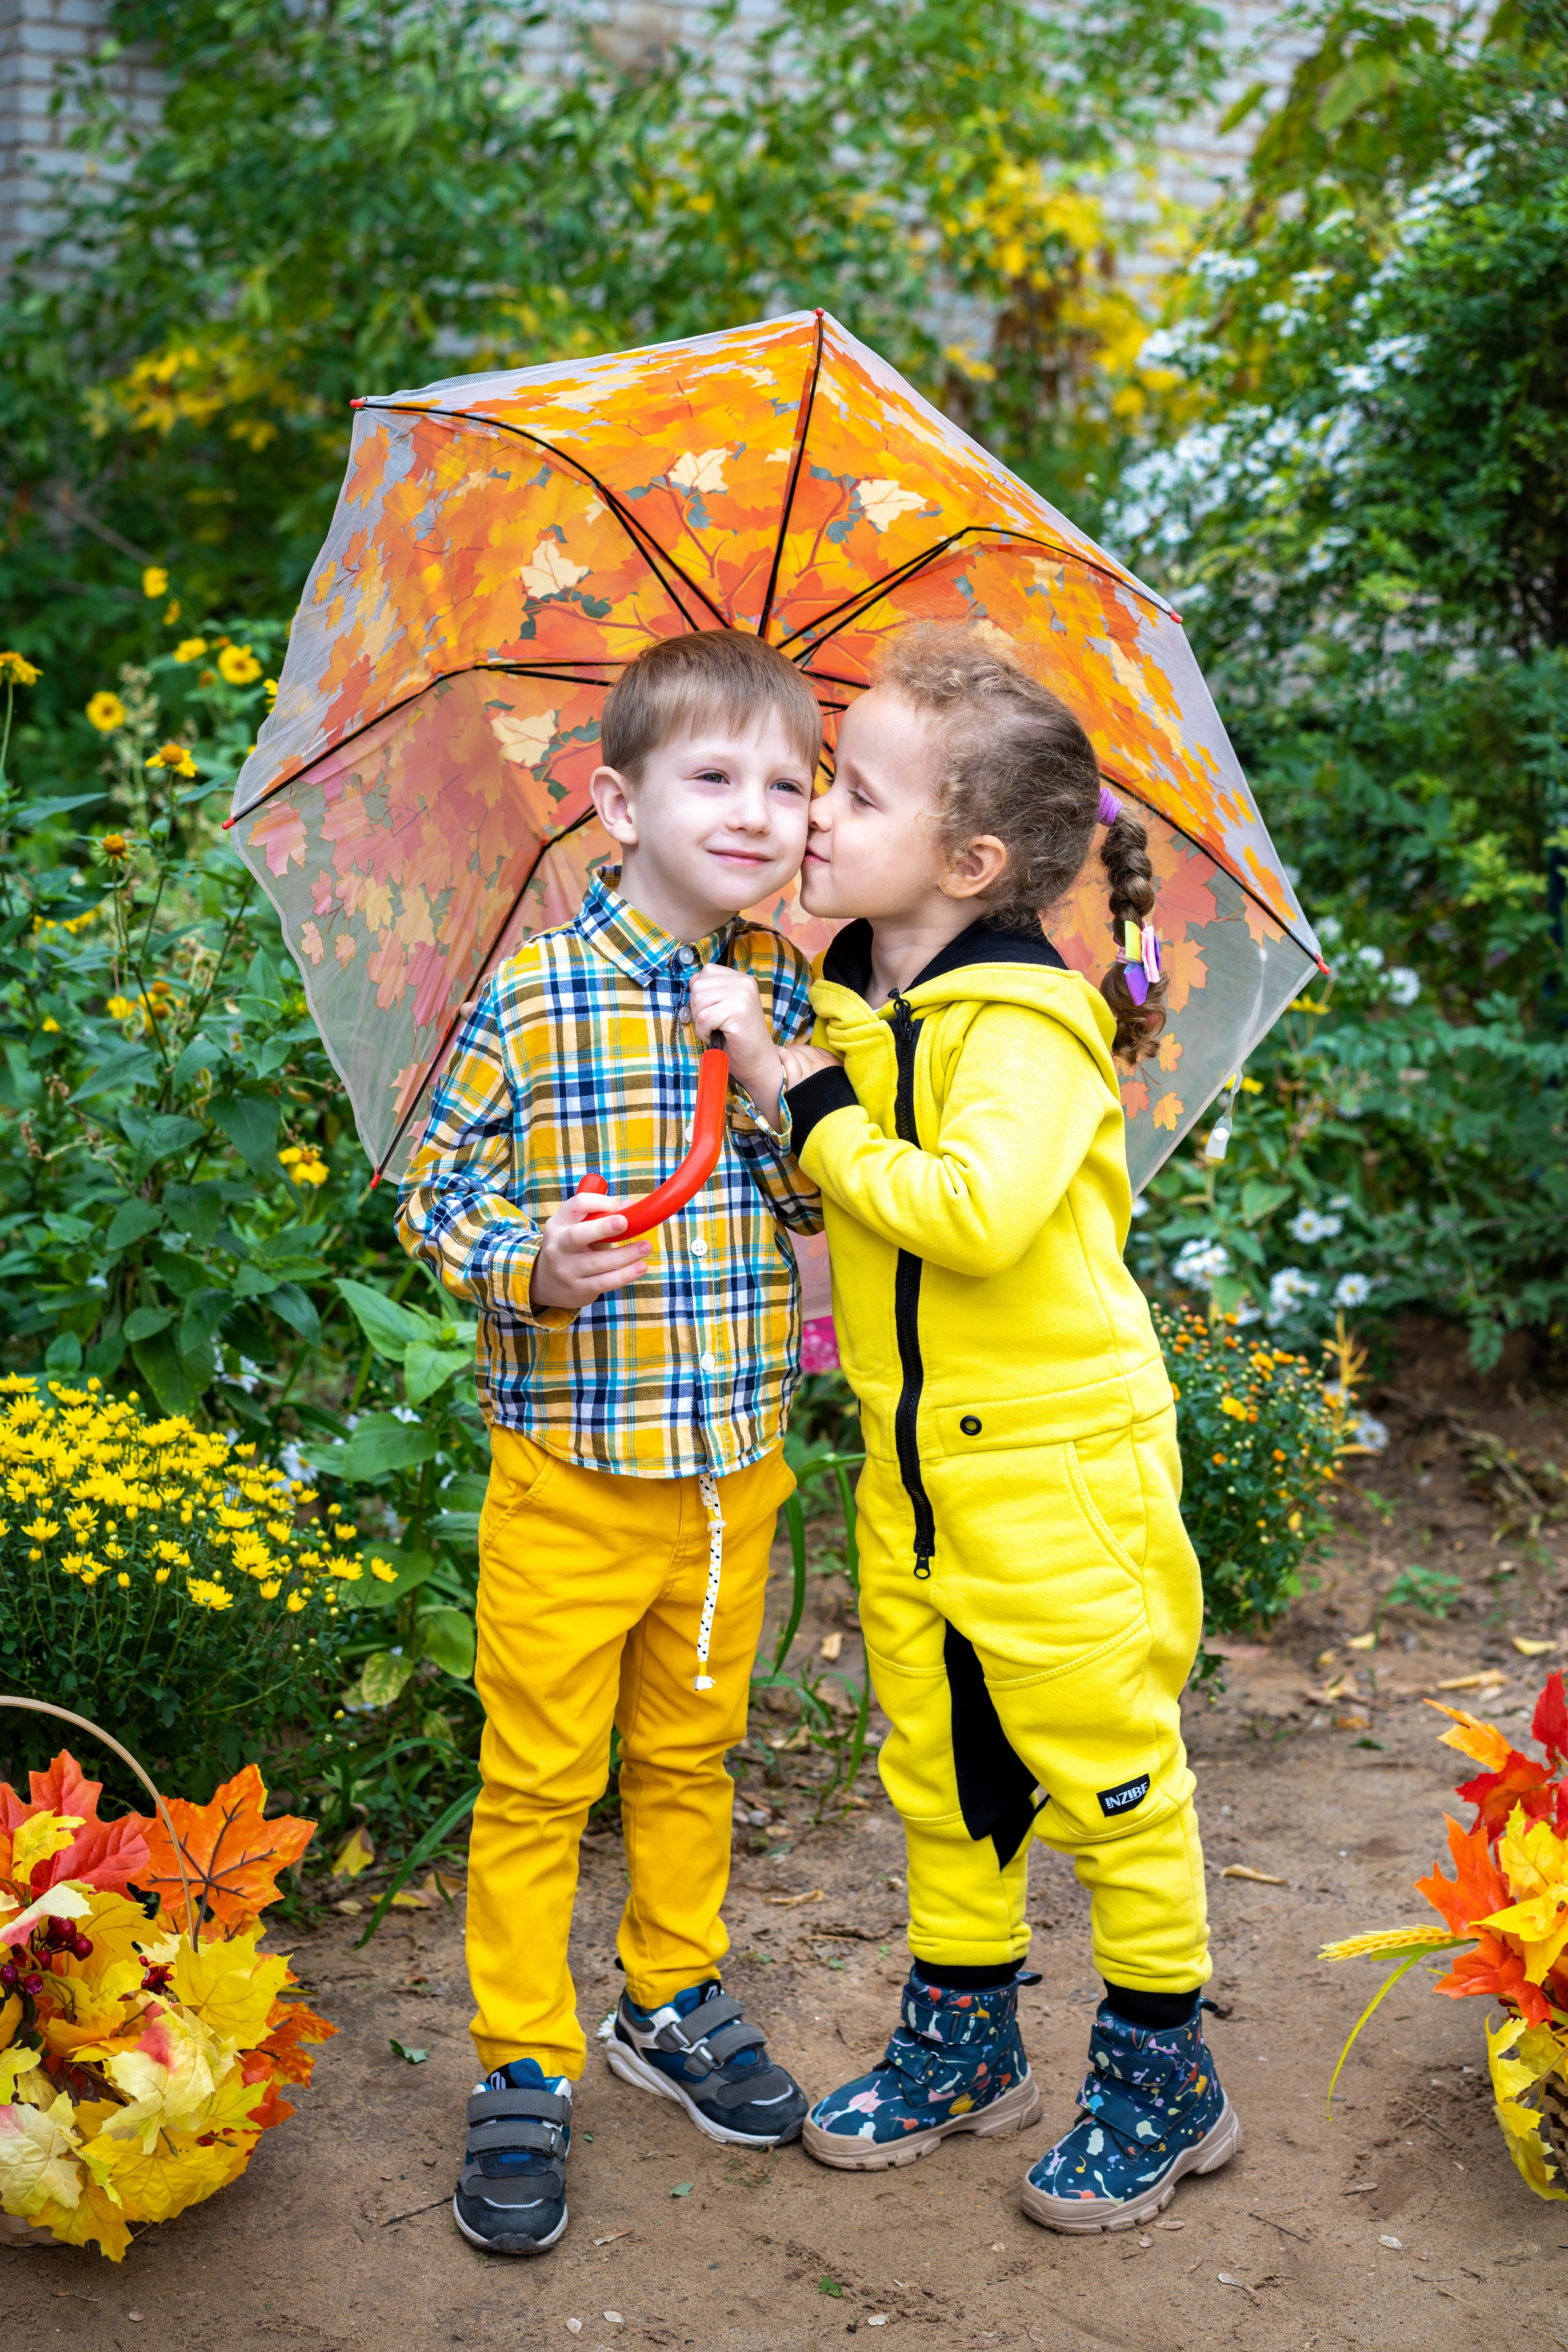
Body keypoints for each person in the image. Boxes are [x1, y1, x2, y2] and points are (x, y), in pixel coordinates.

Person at [707, 621, 1239, 2234]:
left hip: (1059, 1473)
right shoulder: (863, 993)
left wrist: (809, 1100)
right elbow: (855, 1194)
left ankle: (1164, 2073)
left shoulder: (1023, 1025)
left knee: (1107, 1777)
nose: (813, 813)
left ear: (969, 858)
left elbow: (977, 1215)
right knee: (945, 1773)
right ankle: (964, 2039)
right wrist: (787, 1100)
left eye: (856, 795)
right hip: (922, 1467)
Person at [398, 629, 826, 2256]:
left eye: (789, 784)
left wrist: (775, 1081)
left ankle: (670, 1995)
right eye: (714, 776)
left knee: (691, 1758)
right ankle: (522, 2049)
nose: (758, 810)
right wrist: (536, 1264)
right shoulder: (533, 996)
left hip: (730, 1483)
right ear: (614, 801)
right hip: (573, 1483)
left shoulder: (784, 993)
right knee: (539, 1780)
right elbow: (441, 1199)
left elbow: (810, 1210)